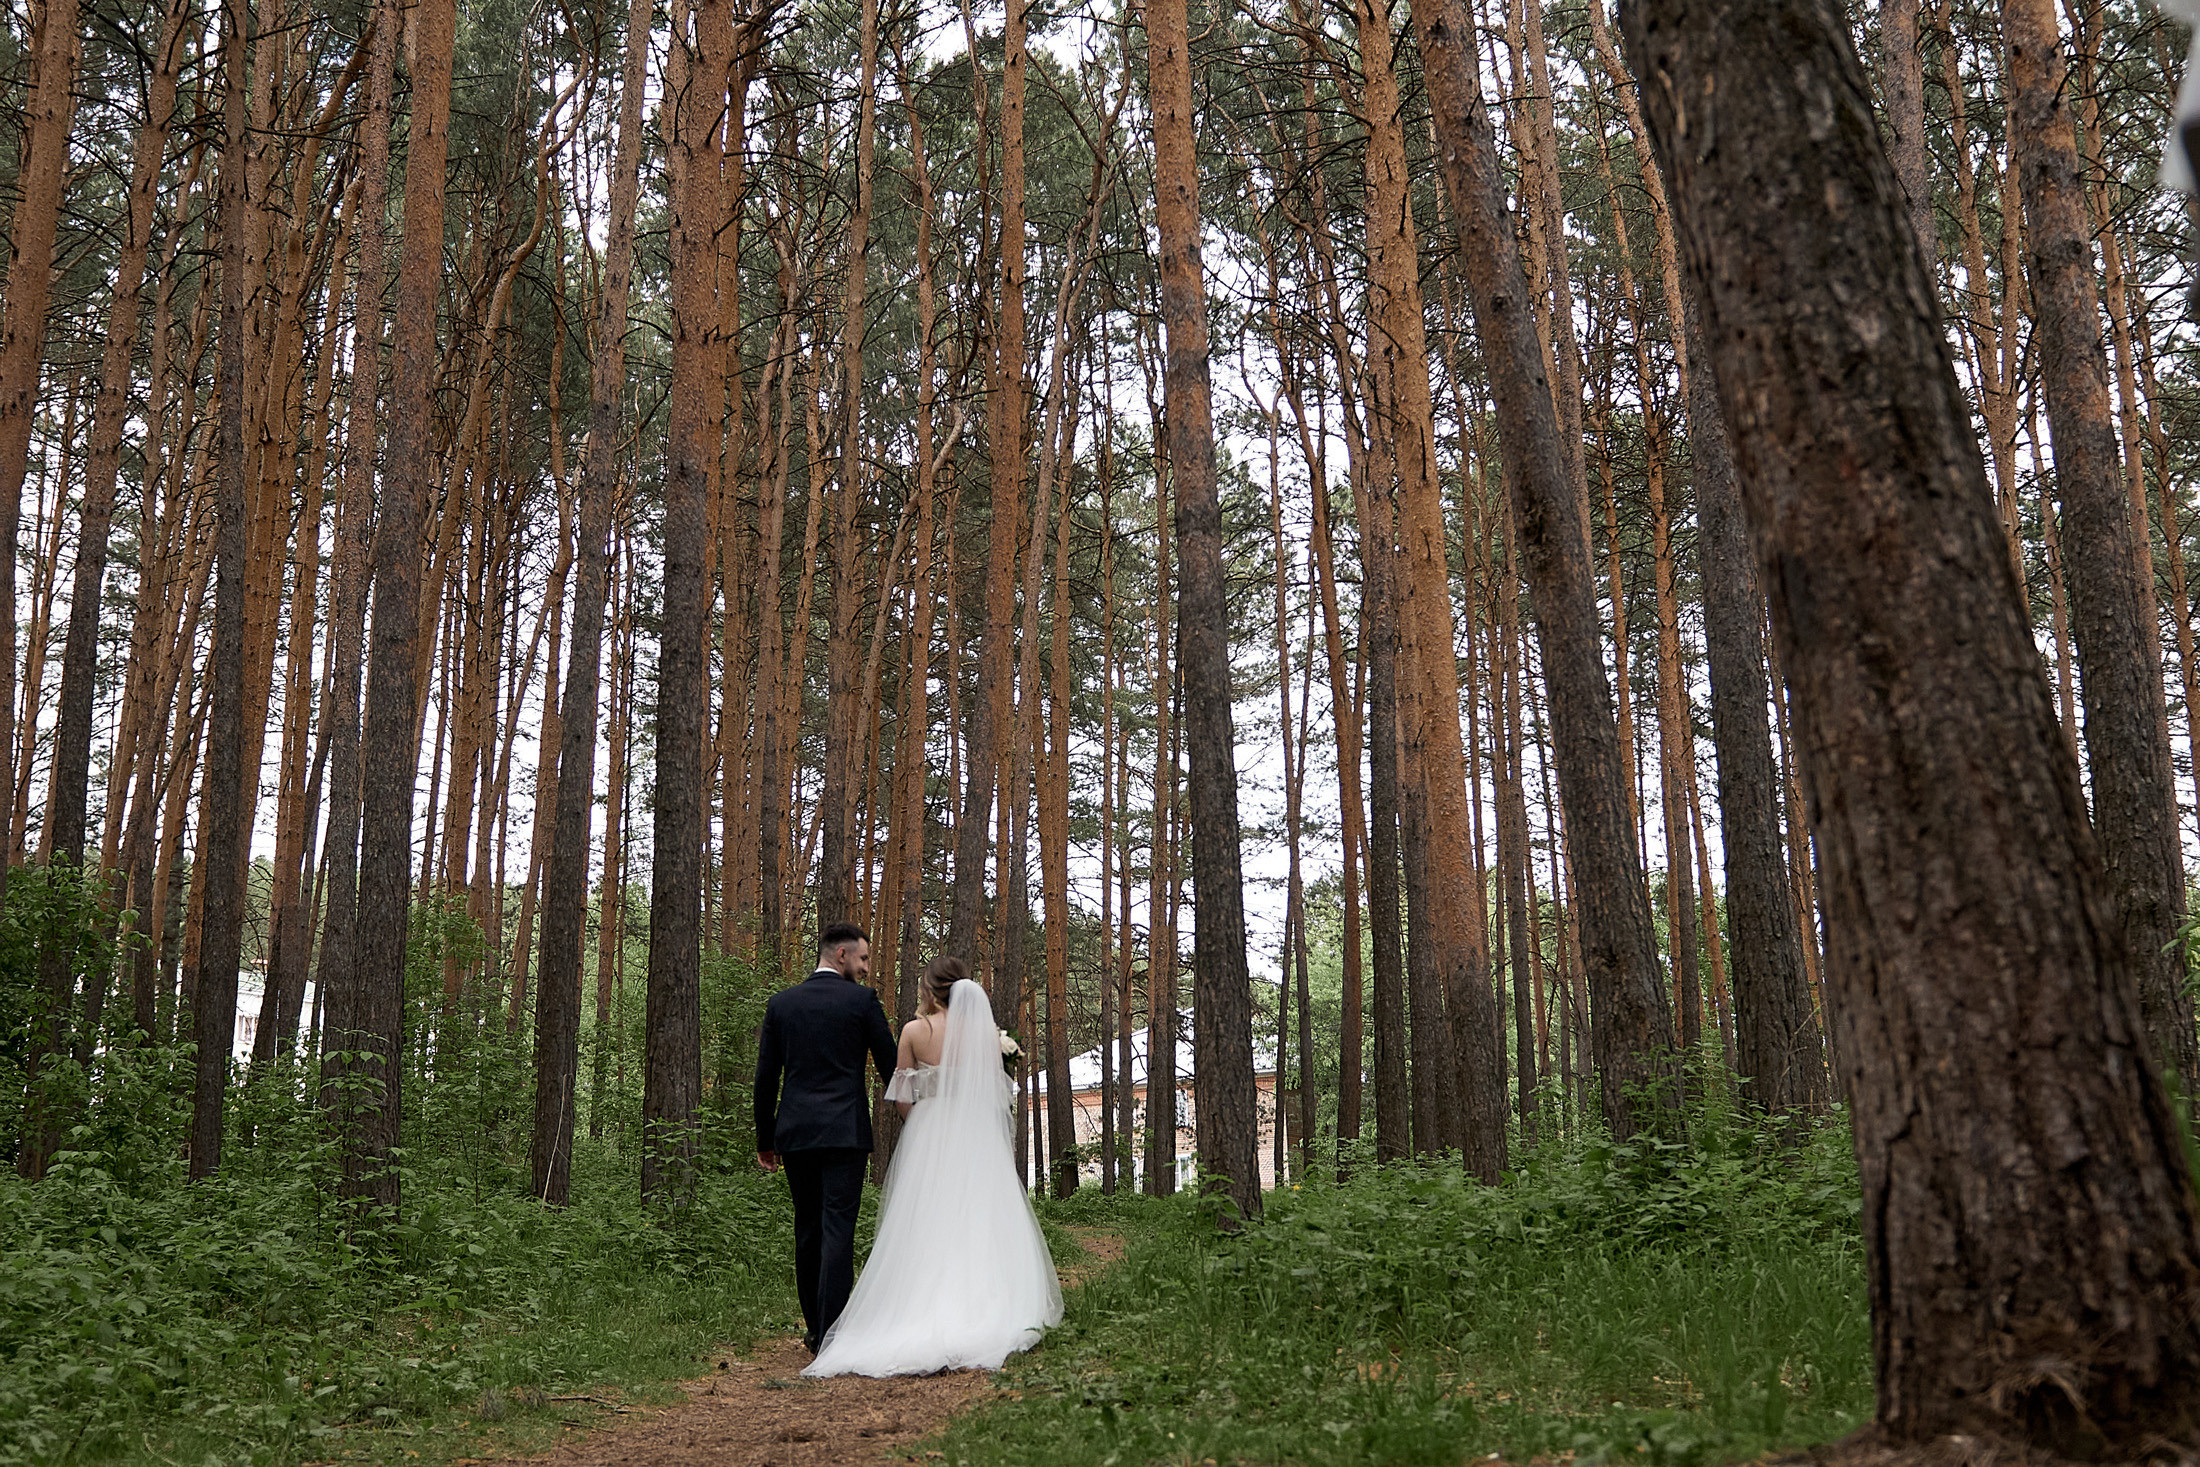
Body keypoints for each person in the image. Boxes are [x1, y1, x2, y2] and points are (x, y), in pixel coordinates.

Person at [803, 957, 1063, 1377]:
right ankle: (986, 1303)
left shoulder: (914, 1031)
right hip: (974, 1133)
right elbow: (996, 1092)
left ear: (929, 990)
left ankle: (916, 1305)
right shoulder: (981, 1033)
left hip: (928, 1129)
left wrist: (922, 1126)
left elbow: (901, 1093)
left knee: (925, 1217)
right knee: (978, 1215)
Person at [754, 921, 898, 1355]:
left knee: (807, 1228)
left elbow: (765, 1079)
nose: (867, 968)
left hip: (795, 1134)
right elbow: (891, 1067)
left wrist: (766, 1138)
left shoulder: (782, 1005)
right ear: (841, 956)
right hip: (845, 1134)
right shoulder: (861, 1002)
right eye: (864, 958)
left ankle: (816, 1329)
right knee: (838, 1228)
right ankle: (832, 1333)